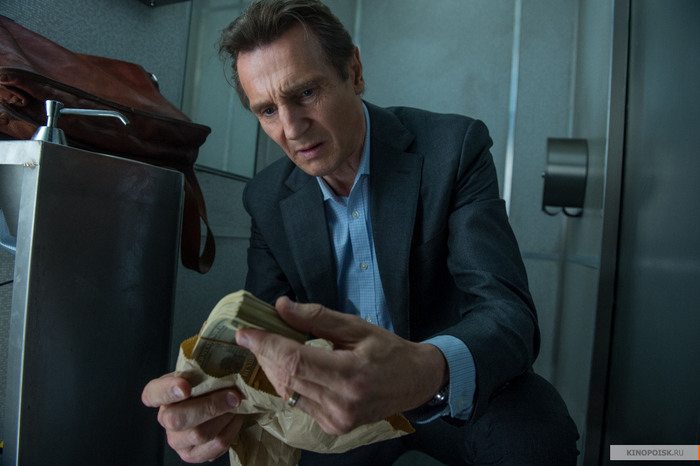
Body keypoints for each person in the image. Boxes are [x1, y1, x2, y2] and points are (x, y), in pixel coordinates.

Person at [142, 0, 579, 464]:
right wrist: (204, 393)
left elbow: (508, 314)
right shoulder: (266, 197)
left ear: (354, 71)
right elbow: (261, 329)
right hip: (337, 405)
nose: (291, 129)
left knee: (536, 439)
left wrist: (424, 369)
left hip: (445, 388)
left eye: (306, 92)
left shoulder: (454, 149)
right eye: (267, 110)